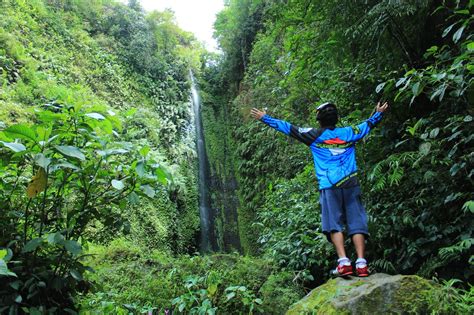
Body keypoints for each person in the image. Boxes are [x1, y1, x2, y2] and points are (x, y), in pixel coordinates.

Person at [250, 101, 389, 277]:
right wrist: (378, 113)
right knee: (357, 221)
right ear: (336, 118)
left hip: (329, 186)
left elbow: (288, 128)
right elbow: (368, 125)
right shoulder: (349, 132)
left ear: (319, 119)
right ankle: (361, 264)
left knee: (334, 223)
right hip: (351, 184)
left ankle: (344, 262)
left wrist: (265, 118)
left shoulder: (313, 135)